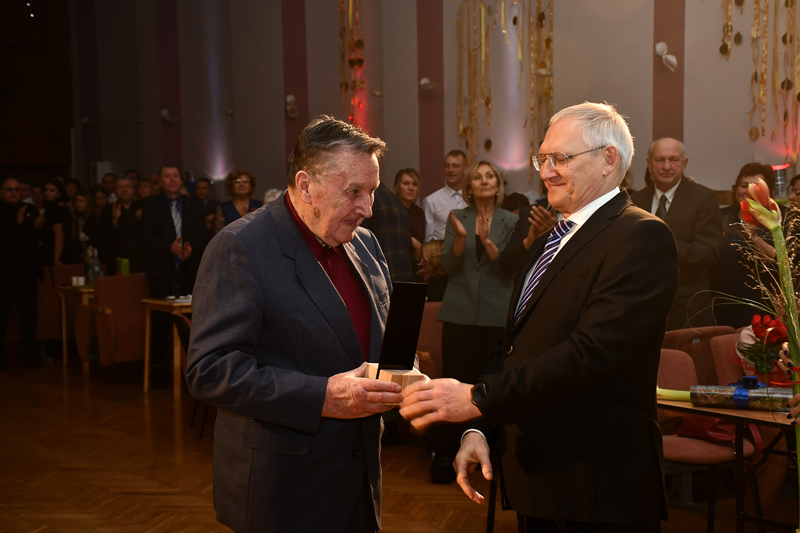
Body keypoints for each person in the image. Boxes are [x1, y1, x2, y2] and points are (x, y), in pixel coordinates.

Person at [399, 102, 679, 532]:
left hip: (596, 485)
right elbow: (511, 344)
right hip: (536, 476)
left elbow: (591, 354)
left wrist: (476, 397)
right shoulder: (551, 238)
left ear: (609, 159)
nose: (546, 172)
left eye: (560, 158)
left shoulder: (641, 235)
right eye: (542, 159)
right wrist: (481, 428)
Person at [186, 116, 402, 532]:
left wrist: (403, 372)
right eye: (353, 192)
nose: (368, 209)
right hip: (284, 489)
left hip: (359, 480)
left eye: (372, 191)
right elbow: (209, 370)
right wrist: (323, 397)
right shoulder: (240, 247)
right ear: (305, 185)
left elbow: (372, 339)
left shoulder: (365, 243)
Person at [427, 160, 518, 483]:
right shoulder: (457, 217)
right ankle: (445, 454)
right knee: (455, 382)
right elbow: (448, 266)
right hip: (460, 313)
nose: (484, 180)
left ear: (498, 185)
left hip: (496, 314)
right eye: (477, 177)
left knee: (491, 385)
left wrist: (487, 242)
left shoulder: (511, 220)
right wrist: (460, 240)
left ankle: (491, 452)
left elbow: (509, 269)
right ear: (469, 186)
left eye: (489, 176)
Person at [631, 138, 723, 330]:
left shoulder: (703, 198)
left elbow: (710, 252)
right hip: (642, 306)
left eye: (673, 160)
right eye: (660, 160)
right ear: (649, 164)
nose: (666, 166)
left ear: (684, 163)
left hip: (687, 308)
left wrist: (664, 244)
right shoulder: (635, 201)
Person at [140, 166, 207, 386]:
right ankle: (157, 369)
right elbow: (146, 236)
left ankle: (195, 370)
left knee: (193, 320)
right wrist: (169, 247)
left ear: (181, 181)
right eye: (167, 177)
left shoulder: (194, 204)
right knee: (160, 323)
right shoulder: (151, 204)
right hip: (162, 271)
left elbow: (203, 233)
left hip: (188, 270)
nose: (172, 180)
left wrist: (191, 247)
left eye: (175, 176)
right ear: (160, 182)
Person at [710, 163, 777, 328]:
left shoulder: (777, 219)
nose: (748, 191)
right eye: (744, 186)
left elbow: (779, 262)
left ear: (769, 192)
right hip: (724, 302)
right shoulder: (721, 216)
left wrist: (754, 237)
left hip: (765, 305)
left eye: (756, 187)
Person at [0, 178, 43, 370]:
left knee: (30, 315)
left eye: (17, 189)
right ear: (1, 192)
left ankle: (30, 355)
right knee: (2, 316)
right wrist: (18, 224)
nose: (13, 192)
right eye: (9, 189)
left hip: (27, 271)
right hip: (4, 273)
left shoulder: (30, 209)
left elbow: (35, 239)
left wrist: (35, 228)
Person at [361, 180, 415, 282]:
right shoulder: (398, 202)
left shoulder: (369, 199)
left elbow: (360, 243)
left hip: (379, 277)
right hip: (403, 276)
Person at [99, 175, 143, 274]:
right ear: (115, 192)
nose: (124, 190)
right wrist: (115, 221)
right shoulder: (108, 210)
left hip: (142, 262)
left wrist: (141, 221)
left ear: (133, 191)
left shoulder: (142, 207)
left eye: (127, 186)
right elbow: (103, 239)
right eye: (120, 187)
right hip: (118, 262)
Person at [422, 150, 468, 242]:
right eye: (447, 166)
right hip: (441, 250)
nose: (450, 170)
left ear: (465, 169)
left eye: (455, 166)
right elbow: (427, 240)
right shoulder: (431, 201)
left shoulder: (473, 199)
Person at [213, 169, 262, 234]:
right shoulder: (223, 208)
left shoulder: (260, 206)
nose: (241, 184)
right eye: (237, 182)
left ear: (251, 186)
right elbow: (218, 235)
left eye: (245, 181)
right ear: (231, 186)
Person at [394, 168, 425, 258]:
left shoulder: (419, 213)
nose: (410, 188)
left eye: (414, 184)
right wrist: (411, 240)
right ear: (397, 187)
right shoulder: (391, 209)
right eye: (406, 183)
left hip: (416, 261)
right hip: (396, 257)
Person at [41, 179, 72, 266]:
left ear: (59, 193)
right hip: (63, 250)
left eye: (52, 191)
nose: (48, 193)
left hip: (55, 252)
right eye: (46, 190)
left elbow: (59, 236)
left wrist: (56, 260)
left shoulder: (55, 209)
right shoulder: (60, 206)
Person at [71, 191, 101, 255]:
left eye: (82, 201)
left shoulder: (92, 217)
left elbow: (96, 238)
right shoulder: (79, 217)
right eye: (76, 201)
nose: (78, 204)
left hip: (94, 251)